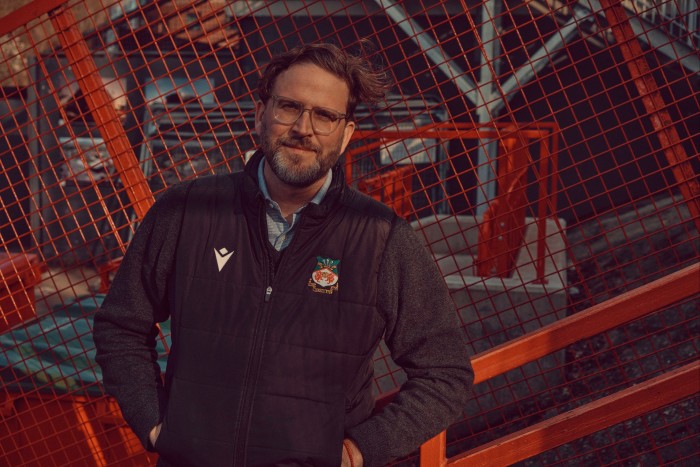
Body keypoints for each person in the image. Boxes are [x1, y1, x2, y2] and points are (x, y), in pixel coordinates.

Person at [93, 42, 473, 467]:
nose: (304, 128)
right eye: (289, 107)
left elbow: (445, 373)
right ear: (260, 114)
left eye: (325, 115)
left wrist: (359, 452)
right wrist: (155, 423)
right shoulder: (186, 210)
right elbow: (120, 326)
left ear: (346, 134)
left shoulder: (382, 238)